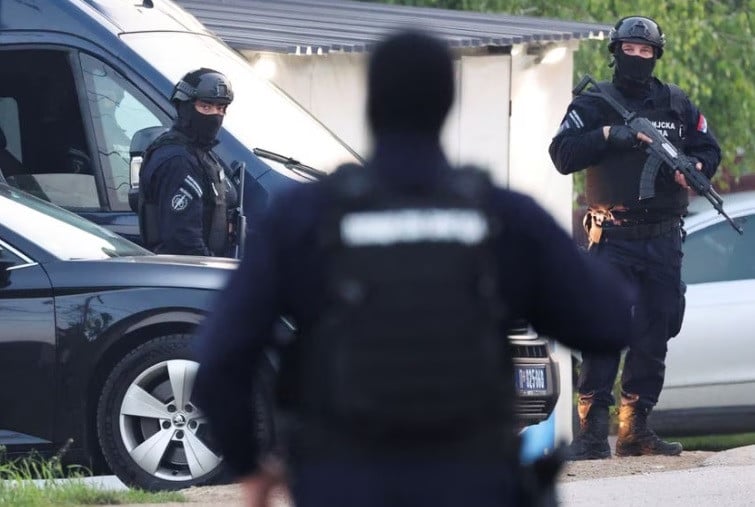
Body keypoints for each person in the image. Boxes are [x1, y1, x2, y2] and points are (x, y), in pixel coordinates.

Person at [194, 29, 636, 507]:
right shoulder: (503, 217)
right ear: (447, 104)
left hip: (342, 484)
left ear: (372, 104)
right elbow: (609, 321)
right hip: (474, 484)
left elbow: (221, 360)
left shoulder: (305, 217)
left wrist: (251, 466)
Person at [549, 15, 722, 460]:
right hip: (613, 236)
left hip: (664, 238)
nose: (639, 58)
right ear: (616, 52)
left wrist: (698, 170)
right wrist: (611, 134)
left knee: (655, 331)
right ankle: (591, 435)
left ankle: (635, 430)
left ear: (656, 56)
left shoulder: (676, 103)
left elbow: (709, 147)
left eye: (647, 52)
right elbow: (562, 153)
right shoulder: (594, 103)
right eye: (631, 50)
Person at [138, 67, 236, 256]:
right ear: (185, 107)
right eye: (206, 107)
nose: (215, 116)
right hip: (185, 276)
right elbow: (183, 243)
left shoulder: (200, 154)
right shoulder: (177, 161)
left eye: (220, 108)